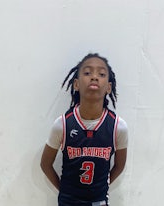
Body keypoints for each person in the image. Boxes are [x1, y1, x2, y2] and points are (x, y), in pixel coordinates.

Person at [40, 53, 128, 206]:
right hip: (68, 201)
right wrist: (65, 191)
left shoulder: (118, 126)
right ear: (76, 84)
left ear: (108, 87)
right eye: (87, 73)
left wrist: (102, 187)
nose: (94, 77)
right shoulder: (63, 124)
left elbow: (119, 166)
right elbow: (45, 164)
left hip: (98, 201)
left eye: (101, 74)